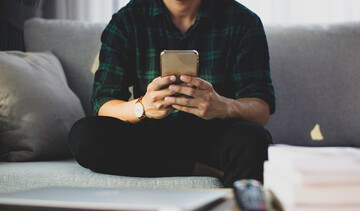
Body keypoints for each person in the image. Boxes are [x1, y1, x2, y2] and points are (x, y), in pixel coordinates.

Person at [68, 0, 275, 188]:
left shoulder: (242, 21)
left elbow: (261, 110)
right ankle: (200, 169)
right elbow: (103, 103)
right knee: (84, 136)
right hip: (150, 136)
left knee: (255, 139)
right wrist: (143, 107)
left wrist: (222, 106)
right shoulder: (127, 20)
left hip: (216, 134)